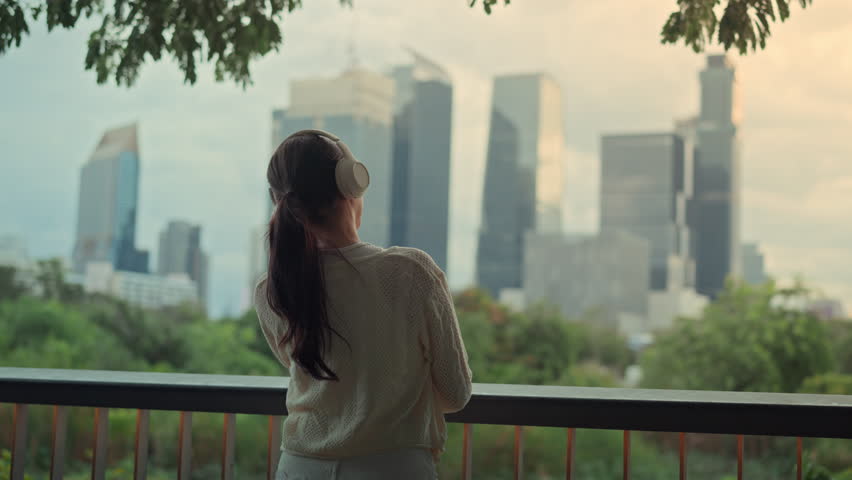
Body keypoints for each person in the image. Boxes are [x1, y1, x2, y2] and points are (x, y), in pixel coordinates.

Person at [254, 129, 473, 480]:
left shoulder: (272, 289)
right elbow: (455, 392)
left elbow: (312, 368)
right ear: (351, 183)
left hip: (299, 466)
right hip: (392, 467)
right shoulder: (411, 273)